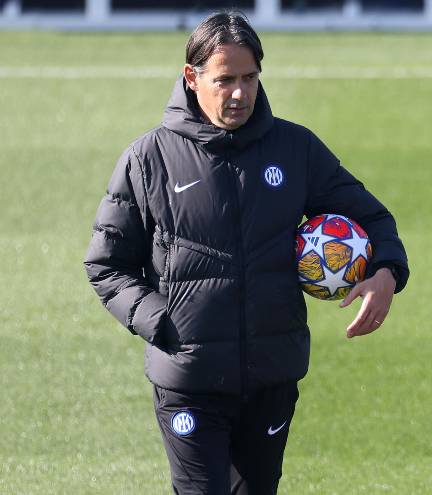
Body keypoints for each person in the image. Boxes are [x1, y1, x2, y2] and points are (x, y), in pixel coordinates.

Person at [84, 11, 408, 494]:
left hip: (271, 375)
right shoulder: (148, 158)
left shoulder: (295, 149)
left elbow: (374, 219)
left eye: (250, 78)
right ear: (192, 78)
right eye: (225, 80)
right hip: (189, 382)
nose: (239, 93)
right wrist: (163, 322)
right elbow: (106, 264)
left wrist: (385, 272)